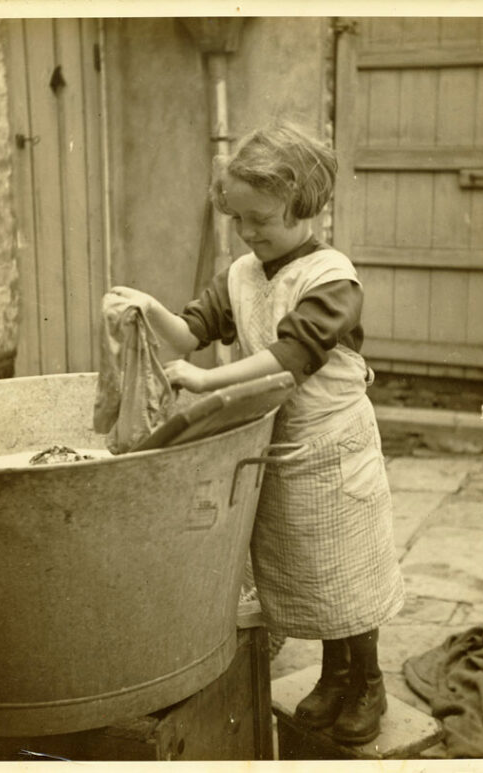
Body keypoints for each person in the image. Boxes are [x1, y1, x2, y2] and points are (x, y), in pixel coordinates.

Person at [112, 122, 404, 744]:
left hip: (333, 444)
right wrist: (148, 307)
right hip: (281, 448)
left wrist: (205, 382)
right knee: (309, 572)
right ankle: (333, 677)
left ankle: (368, 679)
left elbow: (291, 353)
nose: (248, 234)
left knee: (350, 570)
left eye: (261, 219)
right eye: (238, 220)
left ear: (305, 206)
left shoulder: (332, 278)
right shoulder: (243, 274)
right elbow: (191, 331)